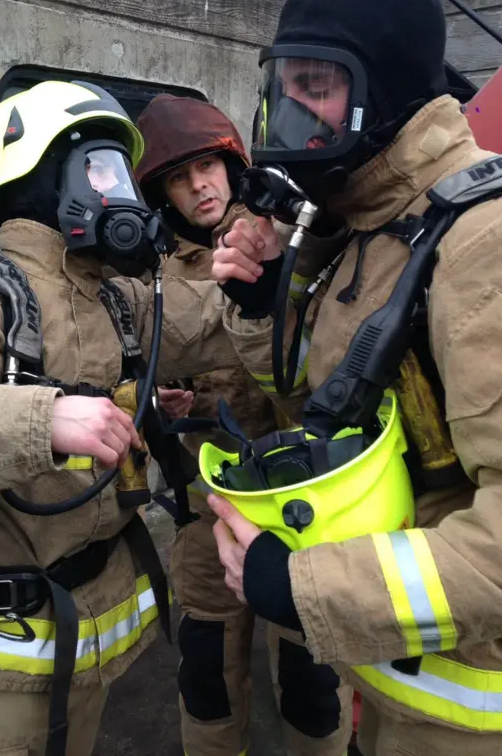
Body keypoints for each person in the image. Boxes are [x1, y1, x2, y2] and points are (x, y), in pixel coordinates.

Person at [0, 80, 243, 756]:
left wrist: (268, 272)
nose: (125, 191)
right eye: (104, 170)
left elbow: (219, 320)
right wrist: (36, 422)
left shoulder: (120, 298)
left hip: (86, 653)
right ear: (46, 181)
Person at [207, 0, 502, 756]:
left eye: (316, 86)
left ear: (383, 88)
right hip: (399, 687)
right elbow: (331, 407)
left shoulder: (486, 244)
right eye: (284, 85)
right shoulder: (374, 227)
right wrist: (264, 299)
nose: (290, 111)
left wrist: (301, 587)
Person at [135, 93, 352, 756]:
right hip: (209, 512)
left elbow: (320, 376)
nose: (197, 185)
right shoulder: (153, 273)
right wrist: (164, 407)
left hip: (300, 509)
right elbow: (127, 365)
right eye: (177, 175)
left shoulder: (283, 239)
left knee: (312, 681)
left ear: (232, 165)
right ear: (161, 192)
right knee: (205, 674)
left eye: (207, 167)